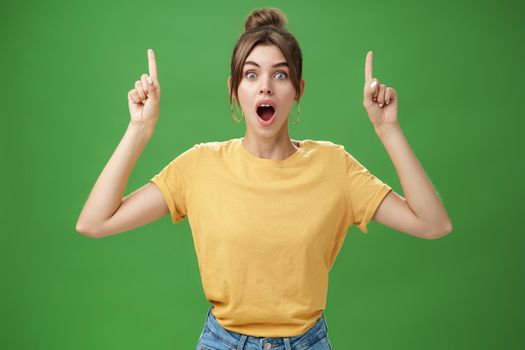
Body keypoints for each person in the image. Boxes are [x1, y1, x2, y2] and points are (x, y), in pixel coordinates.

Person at [76, 7, 453, 350]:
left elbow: (433, 223)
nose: (265, 86)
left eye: (281, 74)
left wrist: (388, 129)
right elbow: (95, 221)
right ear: (234, 90)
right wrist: (139, 128)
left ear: (298, 91)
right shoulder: (199, 166)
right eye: (251, 74)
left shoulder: (334, 166)